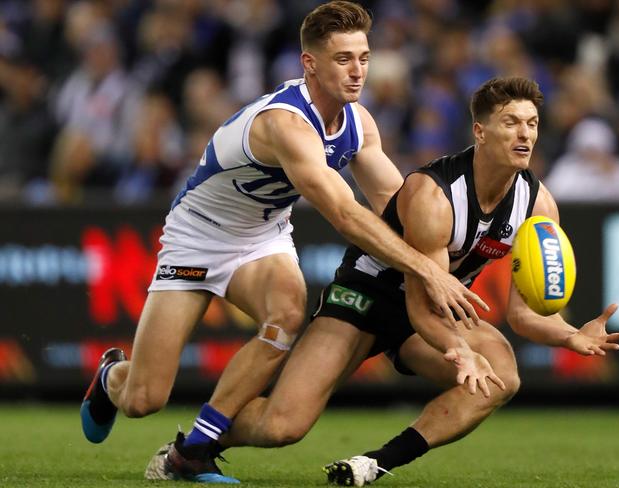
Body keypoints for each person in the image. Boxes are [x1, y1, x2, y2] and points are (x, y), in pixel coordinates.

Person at [80, 1, 488, 484]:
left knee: (288, 314)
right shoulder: (285, 124)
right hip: (198, 236)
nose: (358, 71)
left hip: (262, 235)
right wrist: (428, 271)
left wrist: (455, 240)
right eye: (343, 59)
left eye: (363, 57)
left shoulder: (360, 123)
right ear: (309, 63)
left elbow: (396, 207)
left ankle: (195, 450)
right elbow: (344, 213)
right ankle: (111, 377)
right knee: (144, 399)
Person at [145, 76, 619, 485]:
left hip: (431, 311)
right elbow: (420, 301)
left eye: (533, 124)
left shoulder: (538, 205)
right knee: (282, 426)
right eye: (511, 123)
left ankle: (374, 463)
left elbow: (522, 314)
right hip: (366, 296)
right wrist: (460, 349)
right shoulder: (434, 195)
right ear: (480, 131)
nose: (525, 135)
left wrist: (568, 335)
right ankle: (191, 445)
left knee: (501, 378)